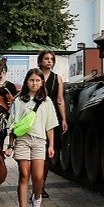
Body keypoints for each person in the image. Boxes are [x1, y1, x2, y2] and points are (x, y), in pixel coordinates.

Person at [5, 68, 59, 207]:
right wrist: (10, 145)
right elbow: (12, 124)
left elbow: (50, 125)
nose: (34, 83)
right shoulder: (18, 100)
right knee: (24, 175)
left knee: (38, 176)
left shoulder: (46, 101)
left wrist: (51, 145)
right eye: (31, 80)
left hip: (39, 141)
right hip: (22, 141)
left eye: (37, 80)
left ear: (42, 82)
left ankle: (36, 199)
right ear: (26, 81)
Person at [37, 50, 68, 198]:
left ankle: (41, 187)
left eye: (51, 59)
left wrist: (63, 119)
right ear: (41, 61)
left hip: (51, 118)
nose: (49, 61)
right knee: (37, 153)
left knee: (48, 154)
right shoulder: (35, 77)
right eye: (46, 58)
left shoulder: (57, 79)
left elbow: (60, 99)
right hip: (35, 117)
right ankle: (36, 185)